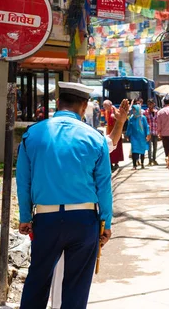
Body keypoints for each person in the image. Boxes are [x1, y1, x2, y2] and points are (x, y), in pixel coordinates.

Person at [16, 81, 113, 309]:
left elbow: (23, 181)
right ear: (84, 105)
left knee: (37, 280)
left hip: (45, 220)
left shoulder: (32, 135)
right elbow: (104, 186)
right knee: (76, 287)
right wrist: (105, 223)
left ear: (57, 103)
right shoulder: (95, 138)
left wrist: (24, 217)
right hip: (84, 220)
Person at [126, 104, 150, 170]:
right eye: (133, 110)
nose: (133, 111)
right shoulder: (131, 118)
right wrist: (127, 135)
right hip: (134, 137)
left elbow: (146, 127)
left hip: (142, 137)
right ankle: (134, 165)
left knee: (142, 151)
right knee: (134, 150)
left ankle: (142, 163)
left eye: (134, 110)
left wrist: (147, 134)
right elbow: (129, 127)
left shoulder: (143, 118)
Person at [104, 100, 125, 172]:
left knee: (116, 148)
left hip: (116, 131)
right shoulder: (106, 111)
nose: (104, 107)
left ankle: (116, 162)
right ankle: (111, 164)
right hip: (110, 131)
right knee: (110, 148)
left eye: (105, 105)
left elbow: (118, 118)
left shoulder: (114, 110)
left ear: (110, 105)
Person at [144, 99, 159, 166]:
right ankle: (150, 160)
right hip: (149, 132)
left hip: (155, 131)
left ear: (154, 104)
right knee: (149, 147)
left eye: (151, 104)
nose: (150, 105)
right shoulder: (145, 113)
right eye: (149, 104)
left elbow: (158, 122)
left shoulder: (156, 112)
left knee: (155, 147)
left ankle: (154, 159)